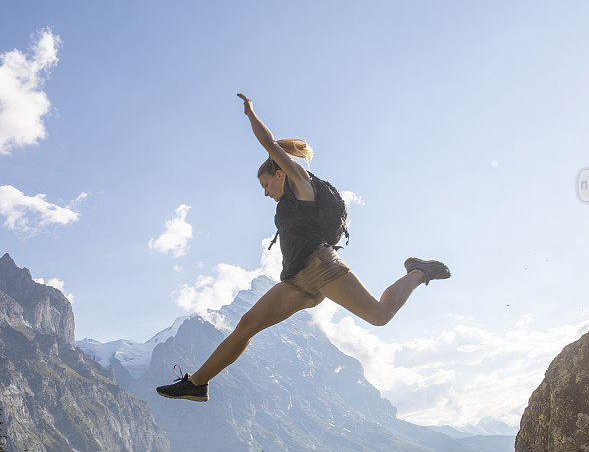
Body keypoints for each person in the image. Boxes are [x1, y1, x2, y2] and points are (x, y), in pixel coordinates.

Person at [156, 93, 451, 401]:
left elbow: (269, 144)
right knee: (247, 325)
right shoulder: (288, 200)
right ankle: (198, 384)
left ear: (280, 173)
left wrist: (250, 115)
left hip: (321, 266)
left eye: (265, 185)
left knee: (379, 315)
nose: (266, 192)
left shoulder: (301, 182)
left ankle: (417, 271)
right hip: (298, 278)